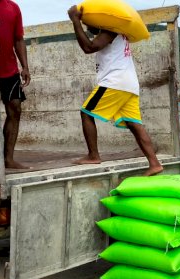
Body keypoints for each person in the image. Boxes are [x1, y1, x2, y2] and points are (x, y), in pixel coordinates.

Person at [67, 6, 163, 176]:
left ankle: (93, 155)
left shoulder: (110, 32)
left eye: (89, 24)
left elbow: (88, 48)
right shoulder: (120, 34)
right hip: (129, 85)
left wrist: (75, 21)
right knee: (135, 125)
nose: (88, 28)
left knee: (86, 113)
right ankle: (154, 163)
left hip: (115, 82)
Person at [0, 0, 30, 169]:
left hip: (9, 70)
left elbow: (19, 39)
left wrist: (25, 67)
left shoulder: (13, 7)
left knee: (15, 108)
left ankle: (8, 158)